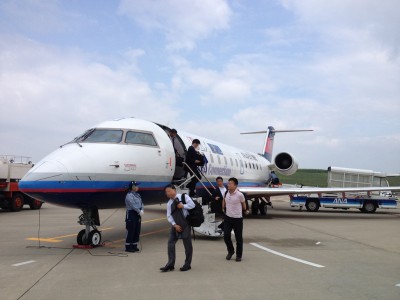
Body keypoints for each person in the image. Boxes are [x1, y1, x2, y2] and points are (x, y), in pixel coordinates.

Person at [160, 184, 196, 272]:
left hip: (185, 224)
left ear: (174, 190)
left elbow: (192, 205)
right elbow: (169, 216)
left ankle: (187, 264)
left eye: (169, 191)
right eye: (166, 192)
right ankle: (170, 264)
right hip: (175, 225)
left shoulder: (183, 197)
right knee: (170, 243)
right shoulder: (169, 203)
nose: (168, 193)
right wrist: (174, 225)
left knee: (187, 246)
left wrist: (183, 206)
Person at [222, 177, 249, 262]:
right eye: (228, 183)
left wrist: (245, 210)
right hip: (228, 217)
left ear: (235, 185)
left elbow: (243, 204)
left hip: (237, 218)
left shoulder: (239, 194)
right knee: (226, 236)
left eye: (230, 183)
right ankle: (231, 251)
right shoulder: (226, 192)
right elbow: (224, 200)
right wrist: (223, 208)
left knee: (238, 238)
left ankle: (239, 255)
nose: (228, 185)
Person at [125, 181, 144, 253]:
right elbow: (133, 205)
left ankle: (134, 245)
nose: (138, 187)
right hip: (131, 214)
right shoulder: (129, 195)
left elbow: (142, 203)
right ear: (133, 187)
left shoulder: (138, 195)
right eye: (136, 186)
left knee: (137, 230)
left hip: (137, 214)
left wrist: (142, 209)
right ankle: (128, 247)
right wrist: (139, 211)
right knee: (131, 230)